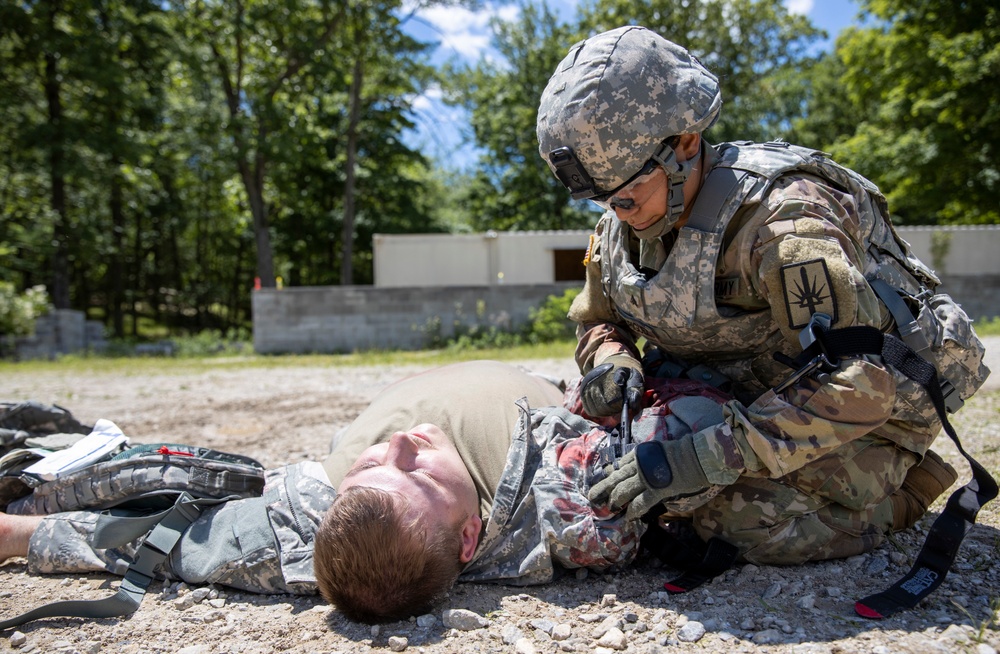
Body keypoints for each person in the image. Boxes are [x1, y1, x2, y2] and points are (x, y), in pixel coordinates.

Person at [535, 25, 989, 569]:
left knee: (733, 524)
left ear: (683, 143)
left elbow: (858, 385)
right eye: (603, 200)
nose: (616, 215)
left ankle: (907, 487)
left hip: (868, 415)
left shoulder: (783, 223)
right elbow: (599, 321)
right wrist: (613, 363)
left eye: (627, 197)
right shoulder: (623, 221)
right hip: (749, 394)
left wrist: (704, 458)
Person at [0, 361, 732, 625]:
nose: (401, 442)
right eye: (410, 469)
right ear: (471, 539)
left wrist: (18, 535)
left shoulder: (310, 527)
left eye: (374, 463)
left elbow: (189, 545)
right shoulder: (574, 504)